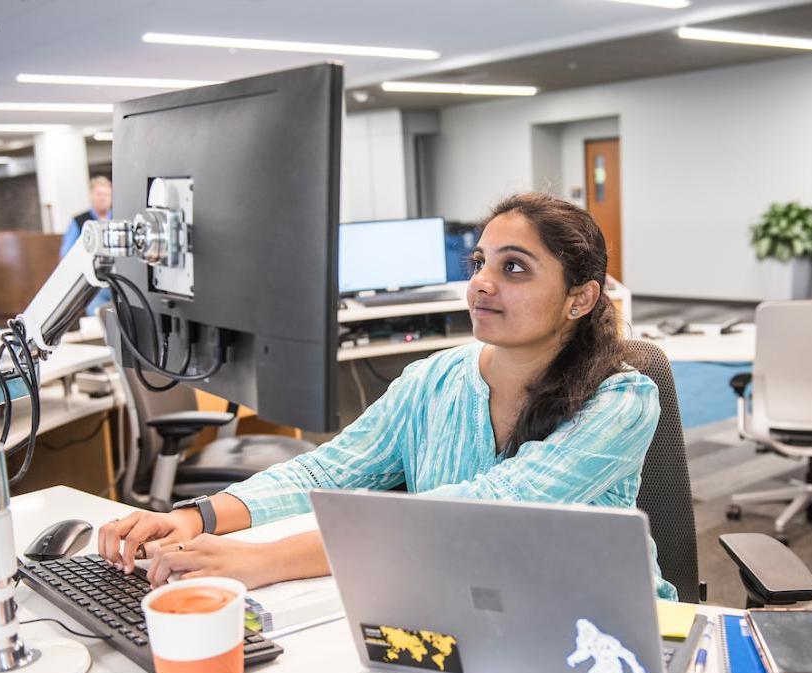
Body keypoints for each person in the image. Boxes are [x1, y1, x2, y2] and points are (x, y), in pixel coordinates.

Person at [98, 192, 677, 600]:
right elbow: (329, 469)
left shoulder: (622, 400)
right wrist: (197, 517)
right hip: (461, 608)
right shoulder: (433, 381)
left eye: (515, 268)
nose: (481, 282)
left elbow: (486, 509)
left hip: (599, 624)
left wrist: (265, 560)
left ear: (579, 298)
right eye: (479, 263)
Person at [60, 175, 113, 314]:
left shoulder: (119, 218)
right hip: (93, 284)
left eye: (107, 194)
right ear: (91, 195)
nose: (103, 198)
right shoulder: (78, 221)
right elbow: (66, 255)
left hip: (117, 280)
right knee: (97, 317)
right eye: (99, 194)